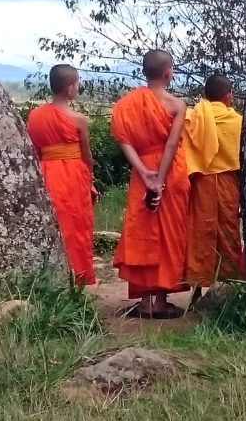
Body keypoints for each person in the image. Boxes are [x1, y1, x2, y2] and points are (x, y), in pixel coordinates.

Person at [110, 49, 190, 319]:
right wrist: (161, 179)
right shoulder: (177, 105)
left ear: (144, 72)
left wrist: (145, 173)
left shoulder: (126, 104)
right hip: (170, 173)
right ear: (169, 73)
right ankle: (161, 300)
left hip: (142, 170)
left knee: (142, 231)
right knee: (169, 233)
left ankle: (145, 302)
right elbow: (171, 144)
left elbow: (125, 142)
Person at [26, 64, 98, 286]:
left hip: (46, 171)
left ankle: (52, 277)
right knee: (75, 226)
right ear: (69, 88)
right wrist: (91, 183)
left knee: (54, 224)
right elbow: (87, 156)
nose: (77, 87)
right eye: (77, 83)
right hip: (74, 175)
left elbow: (34, 150)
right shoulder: (78, 119)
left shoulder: (35, 116)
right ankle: (77, 275)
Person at [182, 74, 246, 301]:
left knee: (200, 233)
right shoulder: (238, 122)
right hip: (229, 181)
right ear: (229, 96)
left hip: (201, 182)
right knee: (229, 231)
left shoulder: (193, 118)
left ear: (205, 96)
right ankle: (232, 283)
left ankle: (198, 286)